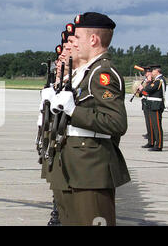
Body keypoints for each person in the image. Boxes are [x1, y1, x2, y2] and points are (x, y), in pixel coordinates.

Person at [49, 12, 130, 226]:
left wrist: (74, 111)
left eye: (77, 38)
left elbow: (116, 122)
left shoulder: (102, 73)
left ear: (93, 39)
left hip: (91, 169)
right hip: (78, 166)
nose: (73, 44)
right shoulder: (88, 72)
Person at [139, 65, 166, 151]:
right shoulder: (156, 80)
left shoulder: (159, 80)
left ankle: (158, 145)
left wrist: (142, 88)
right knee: (153, 125)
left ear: (157, 71)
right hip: (152, 105)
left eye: (153, 71)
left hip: (156, 105)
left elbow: (148, 90)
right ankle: (152, 143)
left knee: (157, 126)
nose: (151, 73)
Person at [138, 67, 154, 148]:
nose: (146, 74)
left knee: (150, 123)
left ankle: (152, 141)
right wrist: (140, 91)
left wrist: (142, 90)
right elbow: (144, 93)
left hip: (150, 104)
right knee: (148, 123)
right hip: (145, 103)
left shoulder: (153, 82)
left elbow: (148, 93)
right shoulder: (147, 81)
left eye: (147, 72)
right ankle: (150, 138)